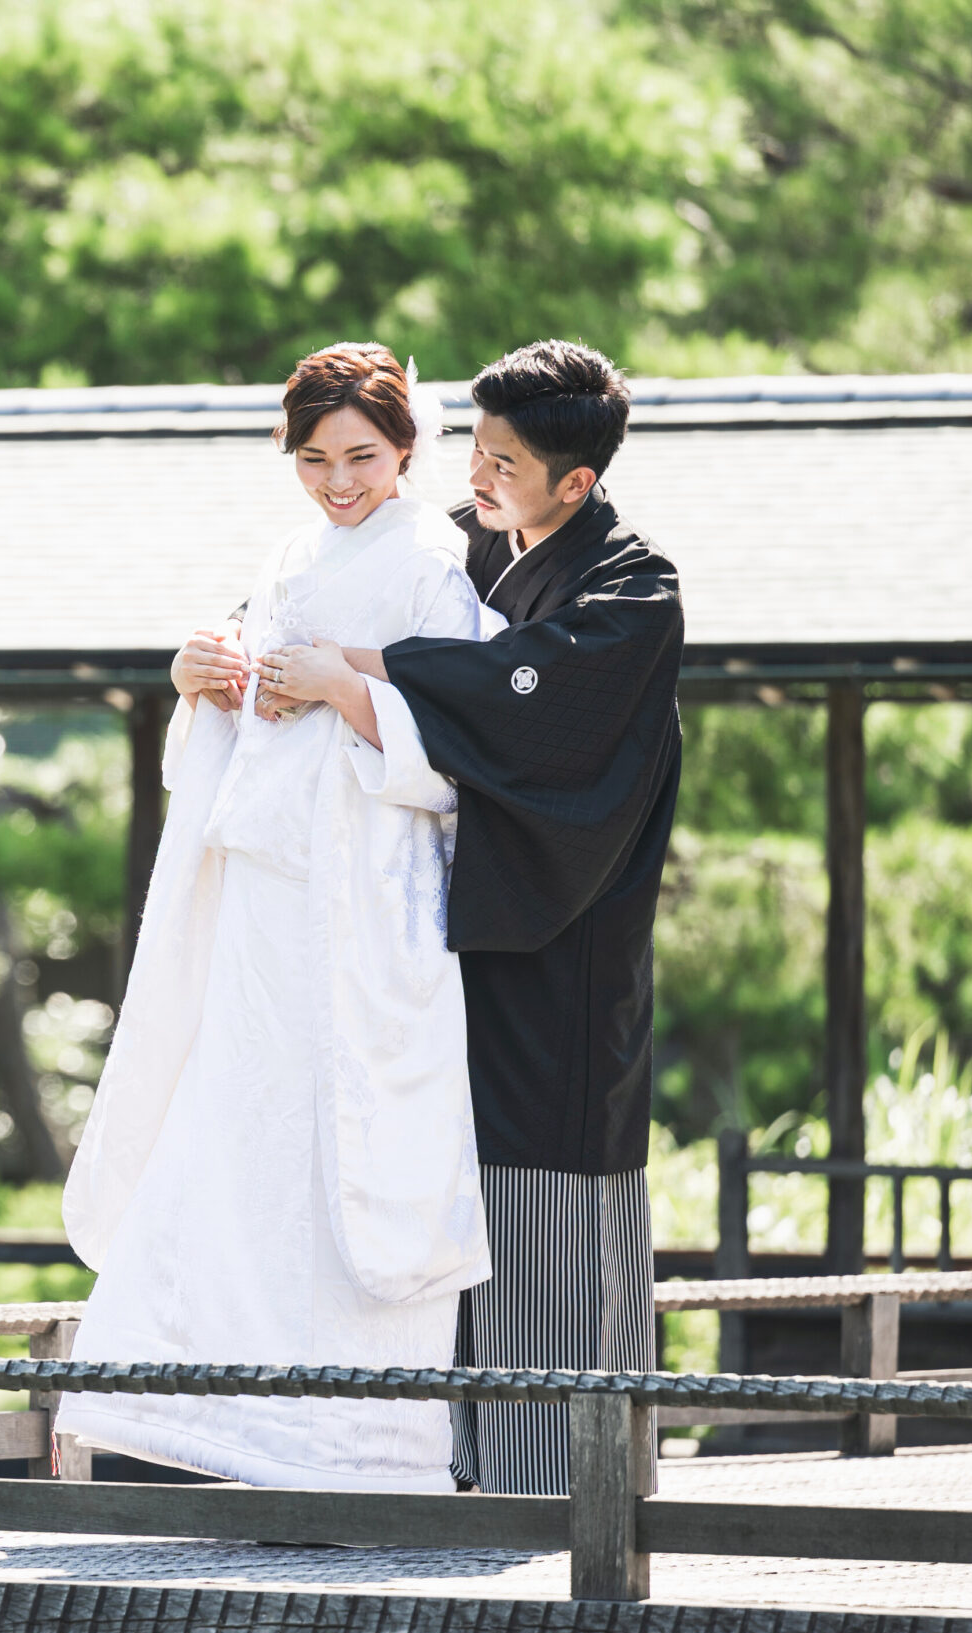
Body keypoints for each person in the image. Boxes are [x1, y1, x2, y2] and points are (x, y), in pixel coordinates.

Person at [54, 343, 500, 1492]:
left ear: (406, 447)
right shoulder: (291, 555)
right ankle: (229, 1428)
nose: (337, 481)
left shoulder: (434, 562)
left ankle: (357, 1448)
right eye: (313, 459)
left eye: (360, 456)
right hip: (264, 891)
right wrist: (200, 678)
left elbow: (466, 741)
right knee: (236, 1126)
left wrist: (341, 688)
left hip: (363, 898)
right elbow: (245, 704)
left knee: (346, 1142)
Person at [256, 340, 682, 1495]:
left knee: (545, 1193)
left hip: (559, 933)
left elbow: (514, 695)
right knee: (436, 1183)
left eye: (503, 464)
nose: (478, 478)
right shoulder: (474, 542)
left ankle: (564, 1484)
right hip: (444, 931)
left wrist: (350, 675)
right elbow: (340, 588)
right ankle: (456, 1464)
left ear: (574, 482)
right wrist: (233, 653)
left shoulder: (632, 591)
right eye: (477, 452)